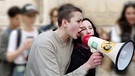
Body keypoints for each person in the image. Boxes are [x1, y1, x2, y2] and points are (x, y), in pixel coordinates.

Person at [24, 5, 103, 76]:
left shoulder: (71, 39)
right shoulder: (45, 43)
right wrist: (87, 65)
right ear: (65, 23)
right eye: (78, 21)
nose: (82, 26)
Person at [102, 1, 135, 76]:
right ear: (124, 14)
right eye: (129, 13)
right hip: (122, 66)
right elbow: (115, 48)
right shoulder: (118, 27)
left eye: (134, 13)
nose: (132, 16)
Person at [7, 4, 40, 76]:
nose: (32, 19)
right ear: (22, 16)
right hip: (20, 70)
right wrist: (23, 48)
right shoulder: (16, 33)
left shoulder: (39, 32)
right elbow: (9, 57)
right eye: (29, 15)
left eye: (34, 16)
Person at [0, 6, 21, 76]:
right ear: (10, 18)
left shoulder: (21, 33)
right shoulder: (4, 34)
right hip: (8, 71)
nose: (19, 21)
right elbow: (2, 54)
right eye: (17, 18)